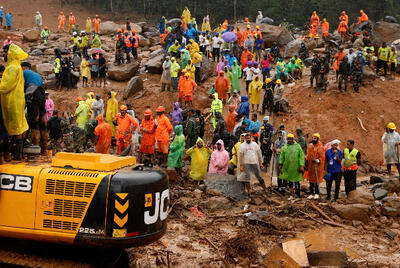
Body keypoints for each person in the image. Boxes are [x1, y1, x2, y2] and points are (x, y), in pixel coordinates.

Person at [0, 44, 29, 160]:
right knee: (21, 126)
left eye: (4, 52)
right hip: (19, 100)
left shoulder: (12, 67)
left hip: (12, 101)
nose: (3, 54)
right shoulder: (18, 66)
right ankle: (19, 154)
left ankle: (15, 155)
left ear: (10, 53)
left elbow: (6, 86)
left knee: (15, 127)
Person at [279, 133, 305, 198]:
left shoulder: (297, 146)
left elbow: (301, 156)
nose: (289, 140)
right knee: (290, 181)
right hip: (288, 167)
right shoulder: (285, 147)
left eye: (290, 139)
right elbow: (282, 156)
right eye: (288, 139)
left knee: (296, 181)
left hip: (296, 168)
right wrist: (280, 164)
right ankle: (291, 194)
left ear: (293, 139)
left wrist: (301, 165)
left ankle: (298, 194)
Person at [304, 133, 325, 199]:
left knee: (316, 180)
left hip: (317, 166)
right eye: (313, 138)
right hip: (311, 166)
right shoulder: (310, 146)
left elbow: (322, 157)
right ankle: (311, 193)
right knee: (311, 180)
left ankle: (316, 193)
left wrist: (317, 160)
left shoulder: (321, 147)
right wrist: (306, 163)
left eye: (315, 138)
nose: (313, 139)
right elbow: (308, 155)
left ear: (318, 139)